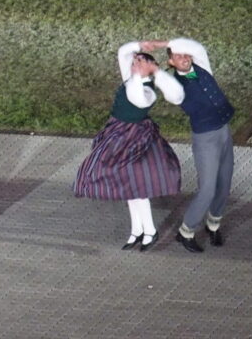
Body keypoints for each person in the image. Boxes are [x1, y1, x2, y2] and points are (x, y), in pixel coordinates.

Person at [73, 42, 184, 250]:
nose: (134, 64)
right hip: (117, 134)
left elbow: (137, 99)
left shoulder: (147, 90)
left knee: (137, 187)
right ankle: (137, 230)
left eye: (139, 62)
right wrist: (142, 45)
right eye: (134, 62)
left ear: (148, 68)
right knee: (128, 187)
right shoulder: (131, 78)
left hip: (135, 139)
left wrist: (143, 74)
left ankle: (149, 230)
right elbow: (123, 52)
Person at [155, 37, 235, 253]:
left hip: (224, 131)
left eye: (185, 54)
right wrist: (156, 69)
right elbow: (171, 90)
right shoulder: (176, 86)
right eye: (177, 56)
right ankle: (186, 231)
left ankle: (213, 224)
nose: (184, 58)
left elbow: (197, 47)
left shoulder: (201, 67)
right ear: (171, 62)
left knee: (224, 184)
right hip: (206, 138)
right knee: (207, 189)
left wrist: (166, 43)